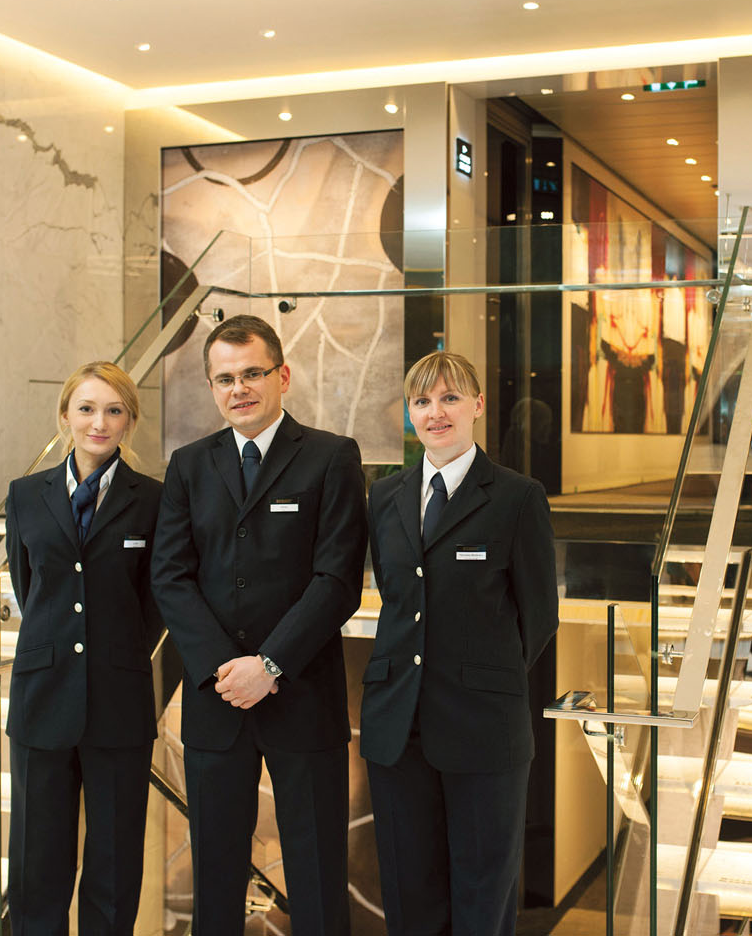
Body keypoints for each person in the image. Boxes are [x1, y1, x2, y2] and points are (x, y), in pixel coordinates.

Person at [152, 314, 367, 936]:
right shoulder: (188, 465)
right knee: (215, 872)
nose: (239, 388)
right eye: (225, 378)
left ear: (282, 376)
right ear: (212, 388)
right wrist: (228, 669)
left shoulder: (331, 457)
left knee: (318, 872)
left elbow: (337, 580)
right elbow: (170, 576)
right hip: (218, 701)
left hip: (301, 694)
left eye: (252, 373)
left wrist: (269, 666)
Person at [361, 350, 559, 936]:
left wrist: (481, 678)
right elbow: (399, 600)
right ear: (409, 414)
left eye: (449, 398)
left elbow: (539, 618)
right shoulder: (384, 497)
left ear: (477, 406)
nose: (435, 412)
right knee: (409, 894)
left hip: (483, 728)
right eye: (422, 401)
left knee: (482, 896)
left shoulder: (517, 498)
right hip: (399, 725)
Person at [3, 361, 162, 936]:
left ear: (129, 421)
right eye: (88, 408)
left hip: (118, 701)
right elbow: (31, 588)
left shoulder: (154, 500)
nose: (100, 422)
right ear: (65, 415)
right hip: (41, 699)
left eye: (114, 410)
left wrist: (112, 655)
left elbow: (153, 602)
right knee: (36, 862)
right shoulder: (25, 495)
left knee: (115, 863)